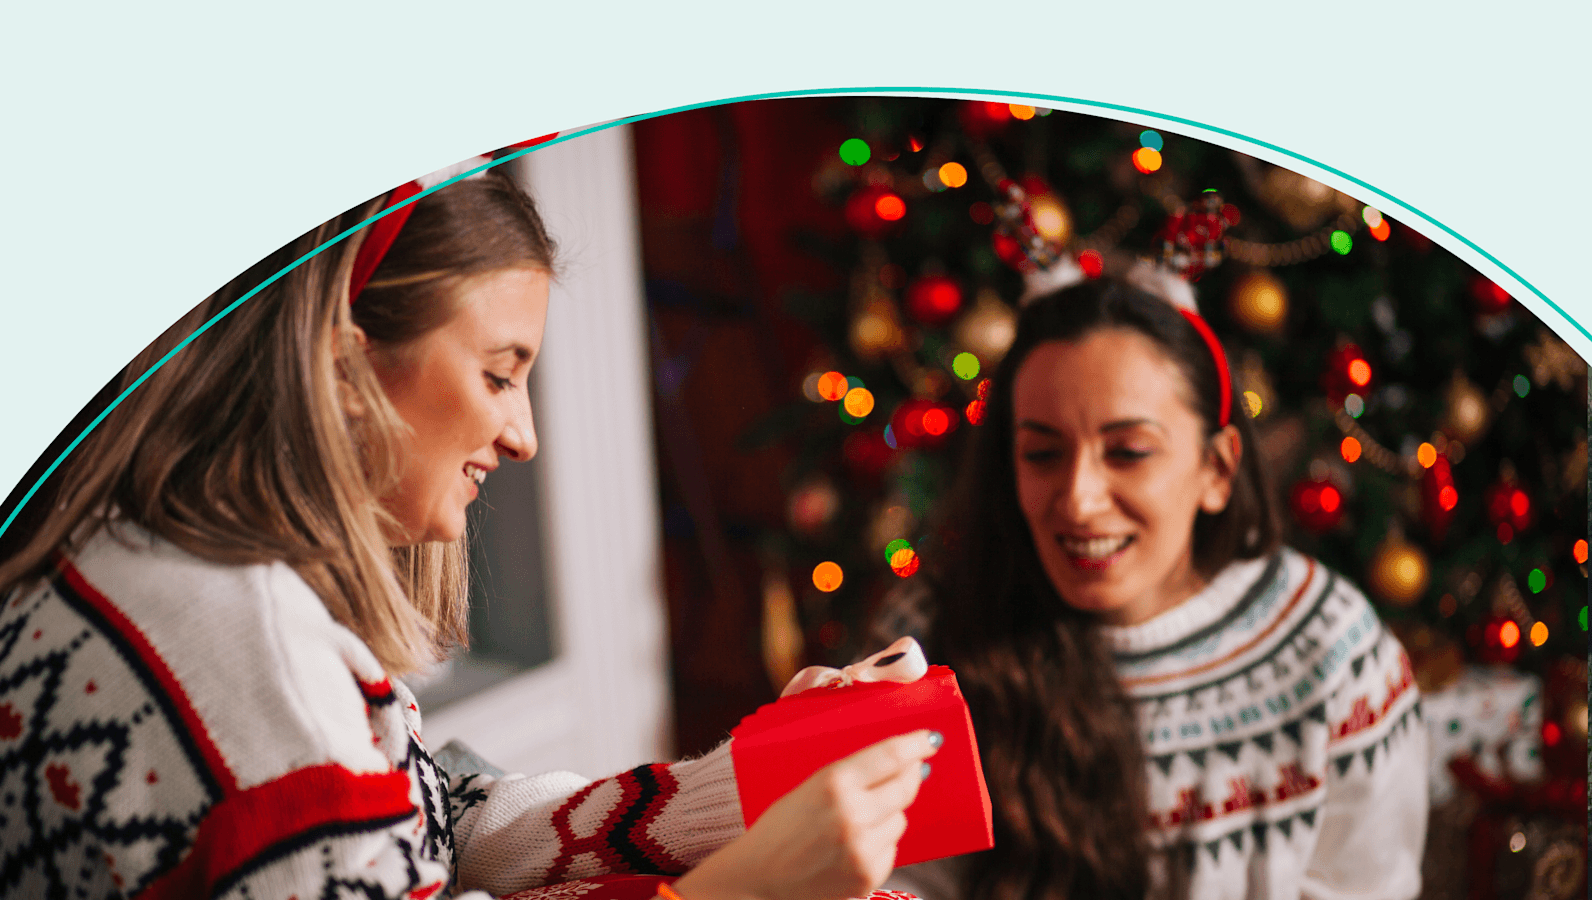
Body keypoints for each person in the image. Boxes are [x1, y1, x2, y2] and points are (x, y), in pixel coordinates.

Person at [0, 159, 940, 900]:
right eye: (498, 374)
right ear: (345, 367)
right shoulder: (262, 664)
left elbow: (429, 825)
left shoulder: (139, 556)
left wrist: (740, 792)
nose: (524, 436)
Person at [874, 275, 1427, 900]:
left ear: (1216, 470)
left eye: (1130, 451)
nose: (1079, 501)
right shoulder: (925, 639)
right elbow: (891, 877)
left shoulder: (1331, 650)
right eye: (1042, 454)